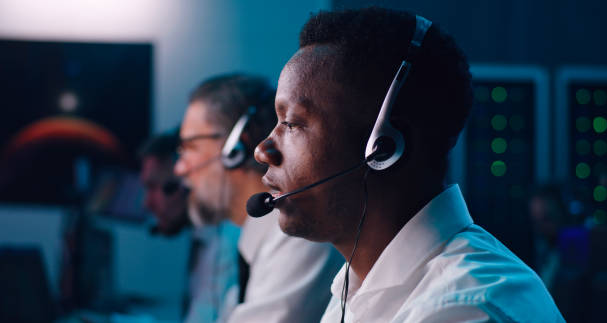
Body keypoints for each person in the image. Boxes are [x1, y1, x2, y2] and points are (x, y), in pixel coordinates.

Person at [254, 7, 565, 322]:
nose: (262, 151)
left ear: (384, 147)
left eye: (291, 123)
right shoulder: (357, 290)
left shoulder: (461, 309)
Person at [174, 74, 343, 322]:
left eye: (189, 146)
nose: (179, 168)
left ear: (234, 150)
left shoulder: (298, 236)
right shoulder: (250, 243)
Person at [139, 133, 240, 323]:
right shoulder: (201, 239)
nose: (146, 203)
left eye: (153, 187)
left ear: (183, 183)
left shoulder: (229, 242)